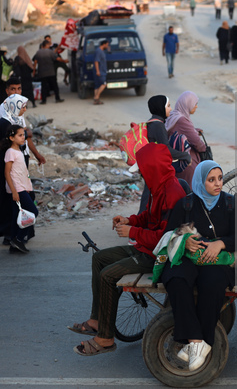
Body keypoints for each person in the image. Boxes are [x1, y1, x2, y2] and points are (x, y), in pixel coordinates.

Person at [71, 144, 187, 356]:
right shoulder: (157, 185)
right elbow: (148, 218)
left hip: (158, 256)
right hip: (146, 248)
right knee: (100, 258)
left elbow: (166, 239)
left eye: (142, 169)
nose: (141, 173)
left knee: (107, 275)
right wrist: (130, 220)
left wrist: (132, 232)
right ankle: (97, 320)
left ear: (152, 168)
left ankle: (106, 338)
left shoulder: (172, 193)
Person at [161, 160, 236, 371]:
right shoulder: (186, 205)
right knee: (176, 278)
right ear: (200, 182)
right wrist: (186, 242)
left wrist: (221, 244)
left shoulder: (230, 204)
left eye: (220, 178)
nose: (217, 184)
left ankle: (201, 343)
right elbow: (169, 235)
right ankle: (196, 341)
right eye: (211, 180)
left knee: (212, 283)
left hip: (217, 261)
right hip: (189, 258)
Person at [137, 95, 192, 213]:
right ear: (160, 108)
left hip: (149, 164)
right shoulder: (158, 125)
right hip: (155, 167)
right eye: (168, 106)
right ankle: (142, 220)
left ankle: (144, 219)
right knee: (149, 194)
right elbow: (166, 150)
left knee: (150, 193)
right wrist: (185, 156)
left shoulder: (152, 123)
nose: (170, 109)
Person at [0, 94, 35, 246]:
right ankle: (12, 236)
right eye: (23, 106)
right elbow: (6, 154)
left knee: (19, 206)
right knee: (17, 205)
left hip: (18, 172)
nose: (25, 109)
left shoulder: (15, 120)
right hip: (11, 174)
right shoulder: (4, 124)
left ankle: (15, 235)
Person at [0, 124, 38, 253]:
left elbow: (21, 172)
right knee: (33, 213)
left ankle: (14, 244)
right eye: (20, 135)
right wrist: (14, 191)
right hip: (17, 189)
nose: (23, 138)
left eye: (24, 135)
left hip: (22, 188)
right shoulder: (10, 152)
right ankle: (19, 239)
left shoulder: (19, 151)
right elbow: (7, 173)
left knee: (17, 216)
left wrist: (27, 187)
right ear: (11, 138)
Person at [0, 80, 46, 168]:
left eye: (19, 89)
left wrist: (37, 154)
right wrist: (27, 133)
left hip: (23, 153)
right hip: (14, 156)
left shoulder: (18, 109)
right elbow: (12, 134)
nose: (17, 92)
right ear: (7, 91)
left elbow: (25, 135)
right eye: (13, 89)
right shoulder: (5, 110)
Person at [165, 91, 206, 185]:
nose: (196, 106)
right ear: (188, 104)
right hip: (187, 164)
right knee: (190, 193)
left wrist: (194, 130)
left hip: (176, 160)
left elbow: (178, 131)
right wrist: (204, 149)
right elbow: (198, 143)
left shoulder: (174, 115)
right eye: (195, 104)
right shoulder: (182, 120)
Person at [93, 40, 109, 105]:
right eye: (107, 45)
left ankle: (96, 100)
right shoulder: (99, 51)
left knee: (97, 86)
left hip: (100, 71)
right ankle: (96, 96)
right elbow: (96, 61)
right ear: (104, 44)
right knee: (104, 84)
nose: (107, 46)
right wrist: (98, 71)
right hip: (100, 72)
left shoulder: (100, 51)